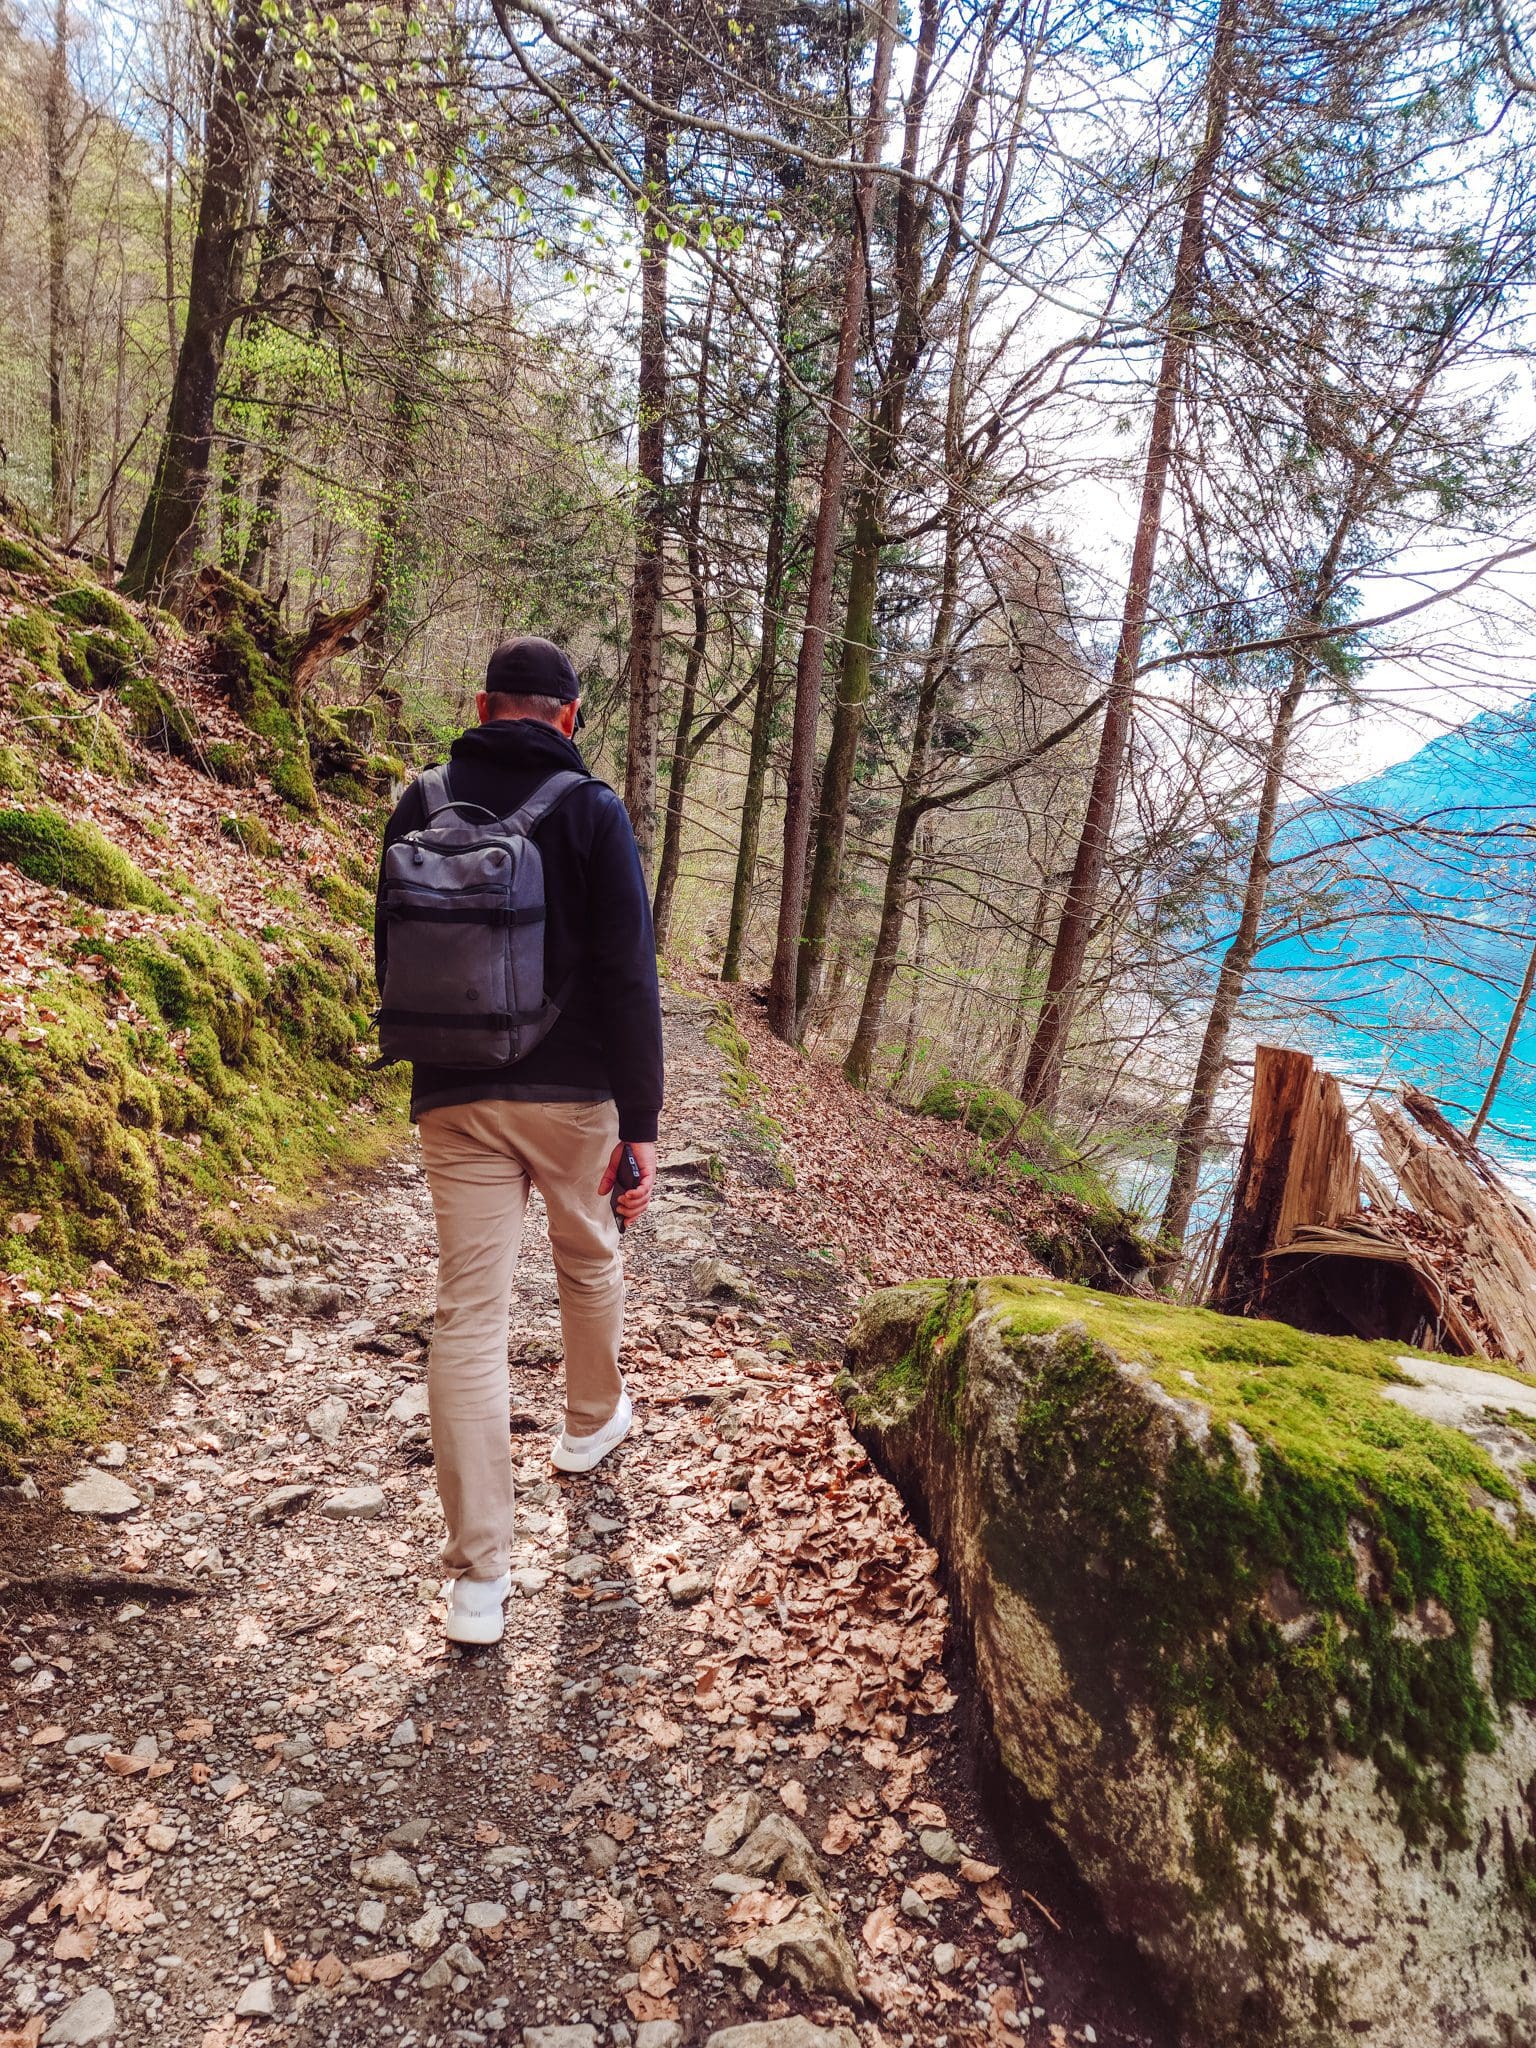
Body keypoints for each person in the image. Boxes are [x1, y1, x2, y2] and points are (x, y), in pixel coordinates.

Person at [374, 636, 663, 1645]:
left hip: (453, 1097)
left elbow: (391, 951)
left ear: (485, 703)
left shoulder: (423, 798)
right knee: (588, 1259)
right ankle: (589, 1424)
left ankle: (478, 1583)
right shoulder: (594, 810)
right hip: (574, 1094)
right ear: (568, 718)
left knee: (468, 1318)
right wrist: (643, 1124)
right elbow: (632, 974)